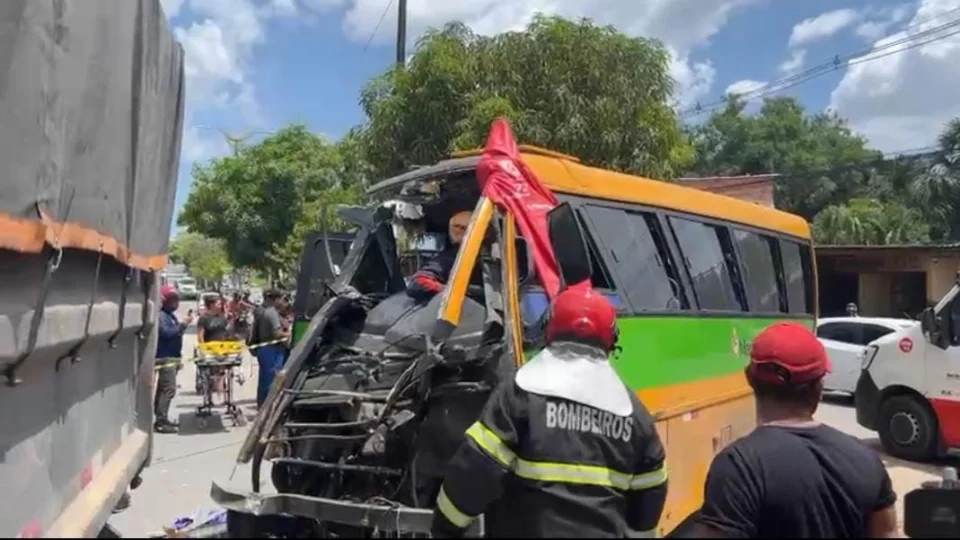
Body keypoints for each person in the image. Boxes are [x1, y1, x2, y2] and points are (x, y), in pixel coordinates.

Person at [431, 287, 668, 538]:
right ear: (612, 340)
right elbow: (649, 498)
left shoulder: (520, 392)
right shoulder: (635, 415)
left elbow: (476, 468)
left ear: (549, 328)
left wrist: (445, 527)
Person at [690, 322, 899, 538]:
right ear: (819, 388)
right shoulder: (866, 459)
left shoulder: (738, 467)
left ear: (749, 378)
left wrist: (724, 478)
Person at [406, 210, 472, 300]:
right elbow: (418, 282)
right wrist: (452, 291)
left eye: (464, 228)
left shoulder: (491, 259)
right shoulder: (451, 259)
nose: (458, 231)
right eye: (456, 227)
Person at [155, 285, 193, 434]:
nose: (176, 303)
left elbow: (176, 334)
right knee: (168, 389)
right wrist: (183, 324)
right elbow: (167, 334)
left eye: (177, 299)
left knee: (163, 389)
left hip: (173, 357)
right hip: (165, 358)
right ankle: (161, 421)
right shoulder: (162, 316)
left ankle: (162, 418)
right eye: (173, 300)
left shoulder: (170, 316)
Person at [254, 290, 291, 408]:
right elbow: (276, 334)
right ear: (276, 299)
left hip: (268, 350)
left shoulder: (273, 312)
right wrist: (290, 335)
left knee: (266, 380)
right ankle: (266, 406)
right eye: (282, 299)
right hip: (271, 350)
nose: (284, 302)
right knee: (270, 380)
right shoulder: (271, 313)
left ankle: (263, 405)